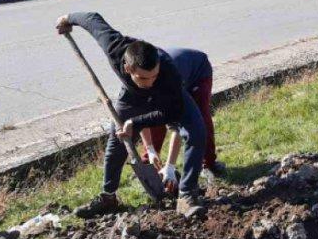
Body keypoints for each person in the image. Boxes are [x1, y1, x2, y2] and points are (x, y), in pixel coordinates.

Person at [56, 13, 207, 219]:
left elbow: (170, 113)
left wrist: (135, 122)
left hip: (168, 96)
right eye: (144, 77)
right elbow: (93, 20)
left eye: (154, 75)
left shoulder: (168, 73)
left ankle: (187, 195)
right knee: (116, 142)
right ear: (127, 68)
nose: (151, 81)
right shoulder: (115, 48)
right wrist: (68, 19)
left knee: (196, 132)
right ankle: (108, 197)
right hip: (131, 96)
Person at [140, 48, 226, 186]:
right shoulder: (141, 84)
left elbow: (178, 127)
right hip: (178, 70)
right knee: (154, 123)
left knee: (199, 120)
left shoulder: (171, 88)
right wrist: (150, 150)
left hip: (198, 71)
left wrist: (170, 166)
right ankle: (149, 166)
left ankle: (209, 163)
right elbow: (143, 121)